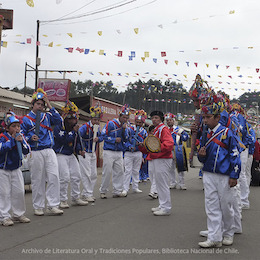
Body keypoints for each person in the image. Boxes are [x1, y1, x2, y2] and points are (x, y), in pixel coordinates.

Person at [198, 100, 241, 248]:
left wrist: (234, 175)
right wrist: (201, 156)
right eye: (204, 117)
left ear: (217, 118)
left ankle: (228, 233)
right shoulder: (204, 133)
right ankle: (214, 236)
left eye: (208, 117)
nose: (205, 120)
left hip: (225, 175)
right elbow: (201, 156)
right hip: (209, 173)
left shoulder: (228, 133)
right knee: (211, 205)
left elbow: (235, 155)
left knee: (226, 206)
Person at [21, 88, 64, 216]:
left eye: (42, 104)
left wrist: (49, 105)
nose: (40, 106)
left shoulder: (48, 116)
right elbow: (21, 135)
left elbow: (59, 122)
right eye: (38, 104)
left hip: (49, 150)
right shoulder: (26, 119)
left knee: (54, 176)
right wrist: (29, 138)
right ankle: (38, 206)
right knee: (37, 179)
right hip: (36, 151)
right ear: (32, 104)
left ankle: (53, 205)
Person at [53, 101, 88, 208]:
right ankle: (62, 200)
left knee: (76, 175)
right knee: (64, 177)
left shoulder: (75, 129)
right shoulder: (59, 127)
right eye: (71, 119)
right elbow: (65, 140)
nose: (73, 121)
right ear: (66, 119)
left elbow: (76, 142)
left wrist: (79, 150)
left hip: (71, 155)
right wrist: (73, 132)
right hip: (61, 154)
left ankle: (76, 197)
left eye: (74, 119)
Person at [139, 111, 174, 216]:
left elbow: (169, 143)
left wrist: (158, 149)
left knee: (162, 183)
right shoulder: (156, 130)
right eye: (152, 117)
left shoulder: (163, 129)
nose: (154, 120)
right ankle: (162, 205)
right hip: (157, 158)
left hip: (162, 158)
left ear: (161, 119)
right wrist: (143, 145)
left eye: (156, 118)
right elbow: (151, 146)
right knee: (158, 183)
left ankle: (166, 207)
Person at [0, 113, 31, 226]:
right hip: (3, 169)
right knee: (4, 193)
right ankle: (4, 216)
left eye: (18, 126)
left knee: (19, 191)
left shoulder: (21, 137)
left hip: (16, 168)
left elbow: (27, 150)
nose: (17, 128)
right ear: (7, 128)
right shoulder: (2, 137)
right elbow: (2, 149)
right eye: (14, 126)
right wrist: (12, 141)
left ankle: (18, 214)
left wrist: (22, 142)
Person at [99, 104, 130, 198]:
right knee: (107, 171)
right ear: (119, 116)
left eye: (127, 118)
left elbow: (126, 139)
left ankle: (117, 190)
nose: (125, 119)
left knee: (119, 171)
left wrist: (124, 130)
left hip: (119, 151)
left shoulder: (126, 126)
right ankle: (103, 191)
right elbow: (103, 135)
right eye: (124, 117)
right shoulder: (111, 123)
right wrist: (113, 140)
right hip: (109, 150)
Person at [79, 103, 104, 203]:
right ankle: (88, 194)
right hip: (85, 152)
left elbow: (102, 137)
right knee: (86, 174)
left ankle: (87, 193)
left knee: (93, 174)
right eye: (95, 120)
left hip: (93, 152)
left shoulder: (97, 128)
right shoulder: (84, 127)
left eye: (98, 120)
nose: (96, 122)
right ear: (91, 119)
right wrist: (81, 149)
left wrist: (98, 138)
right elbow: (79, 137)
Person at [123, 109, 148, 195]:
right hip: (129, 153)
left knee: (136, 170)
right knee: (127, 170)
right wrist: (129, 146)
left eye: (140, 122)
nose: (138, 124)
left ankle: (135, 187)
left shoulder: (144, 132)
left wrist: (142, 145)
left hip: (138, 153)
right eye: (137, 122)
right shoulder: (129, 129)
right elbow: (124, 140)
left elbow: (146, 143)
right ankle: (125, 188)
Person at [165, 112, 189, 190]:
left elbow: (186, 137)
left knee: (180, 167)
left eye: (170, 120)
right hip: (169, 151)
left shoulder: (179, 129)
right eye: (167, 120)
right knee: (170, 168)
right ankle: (172, 183)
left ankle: (182, 183)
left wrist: (181, 136)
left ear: (174, 121)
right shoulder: (165, 130)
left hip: (178, 150)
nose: (169, 122)